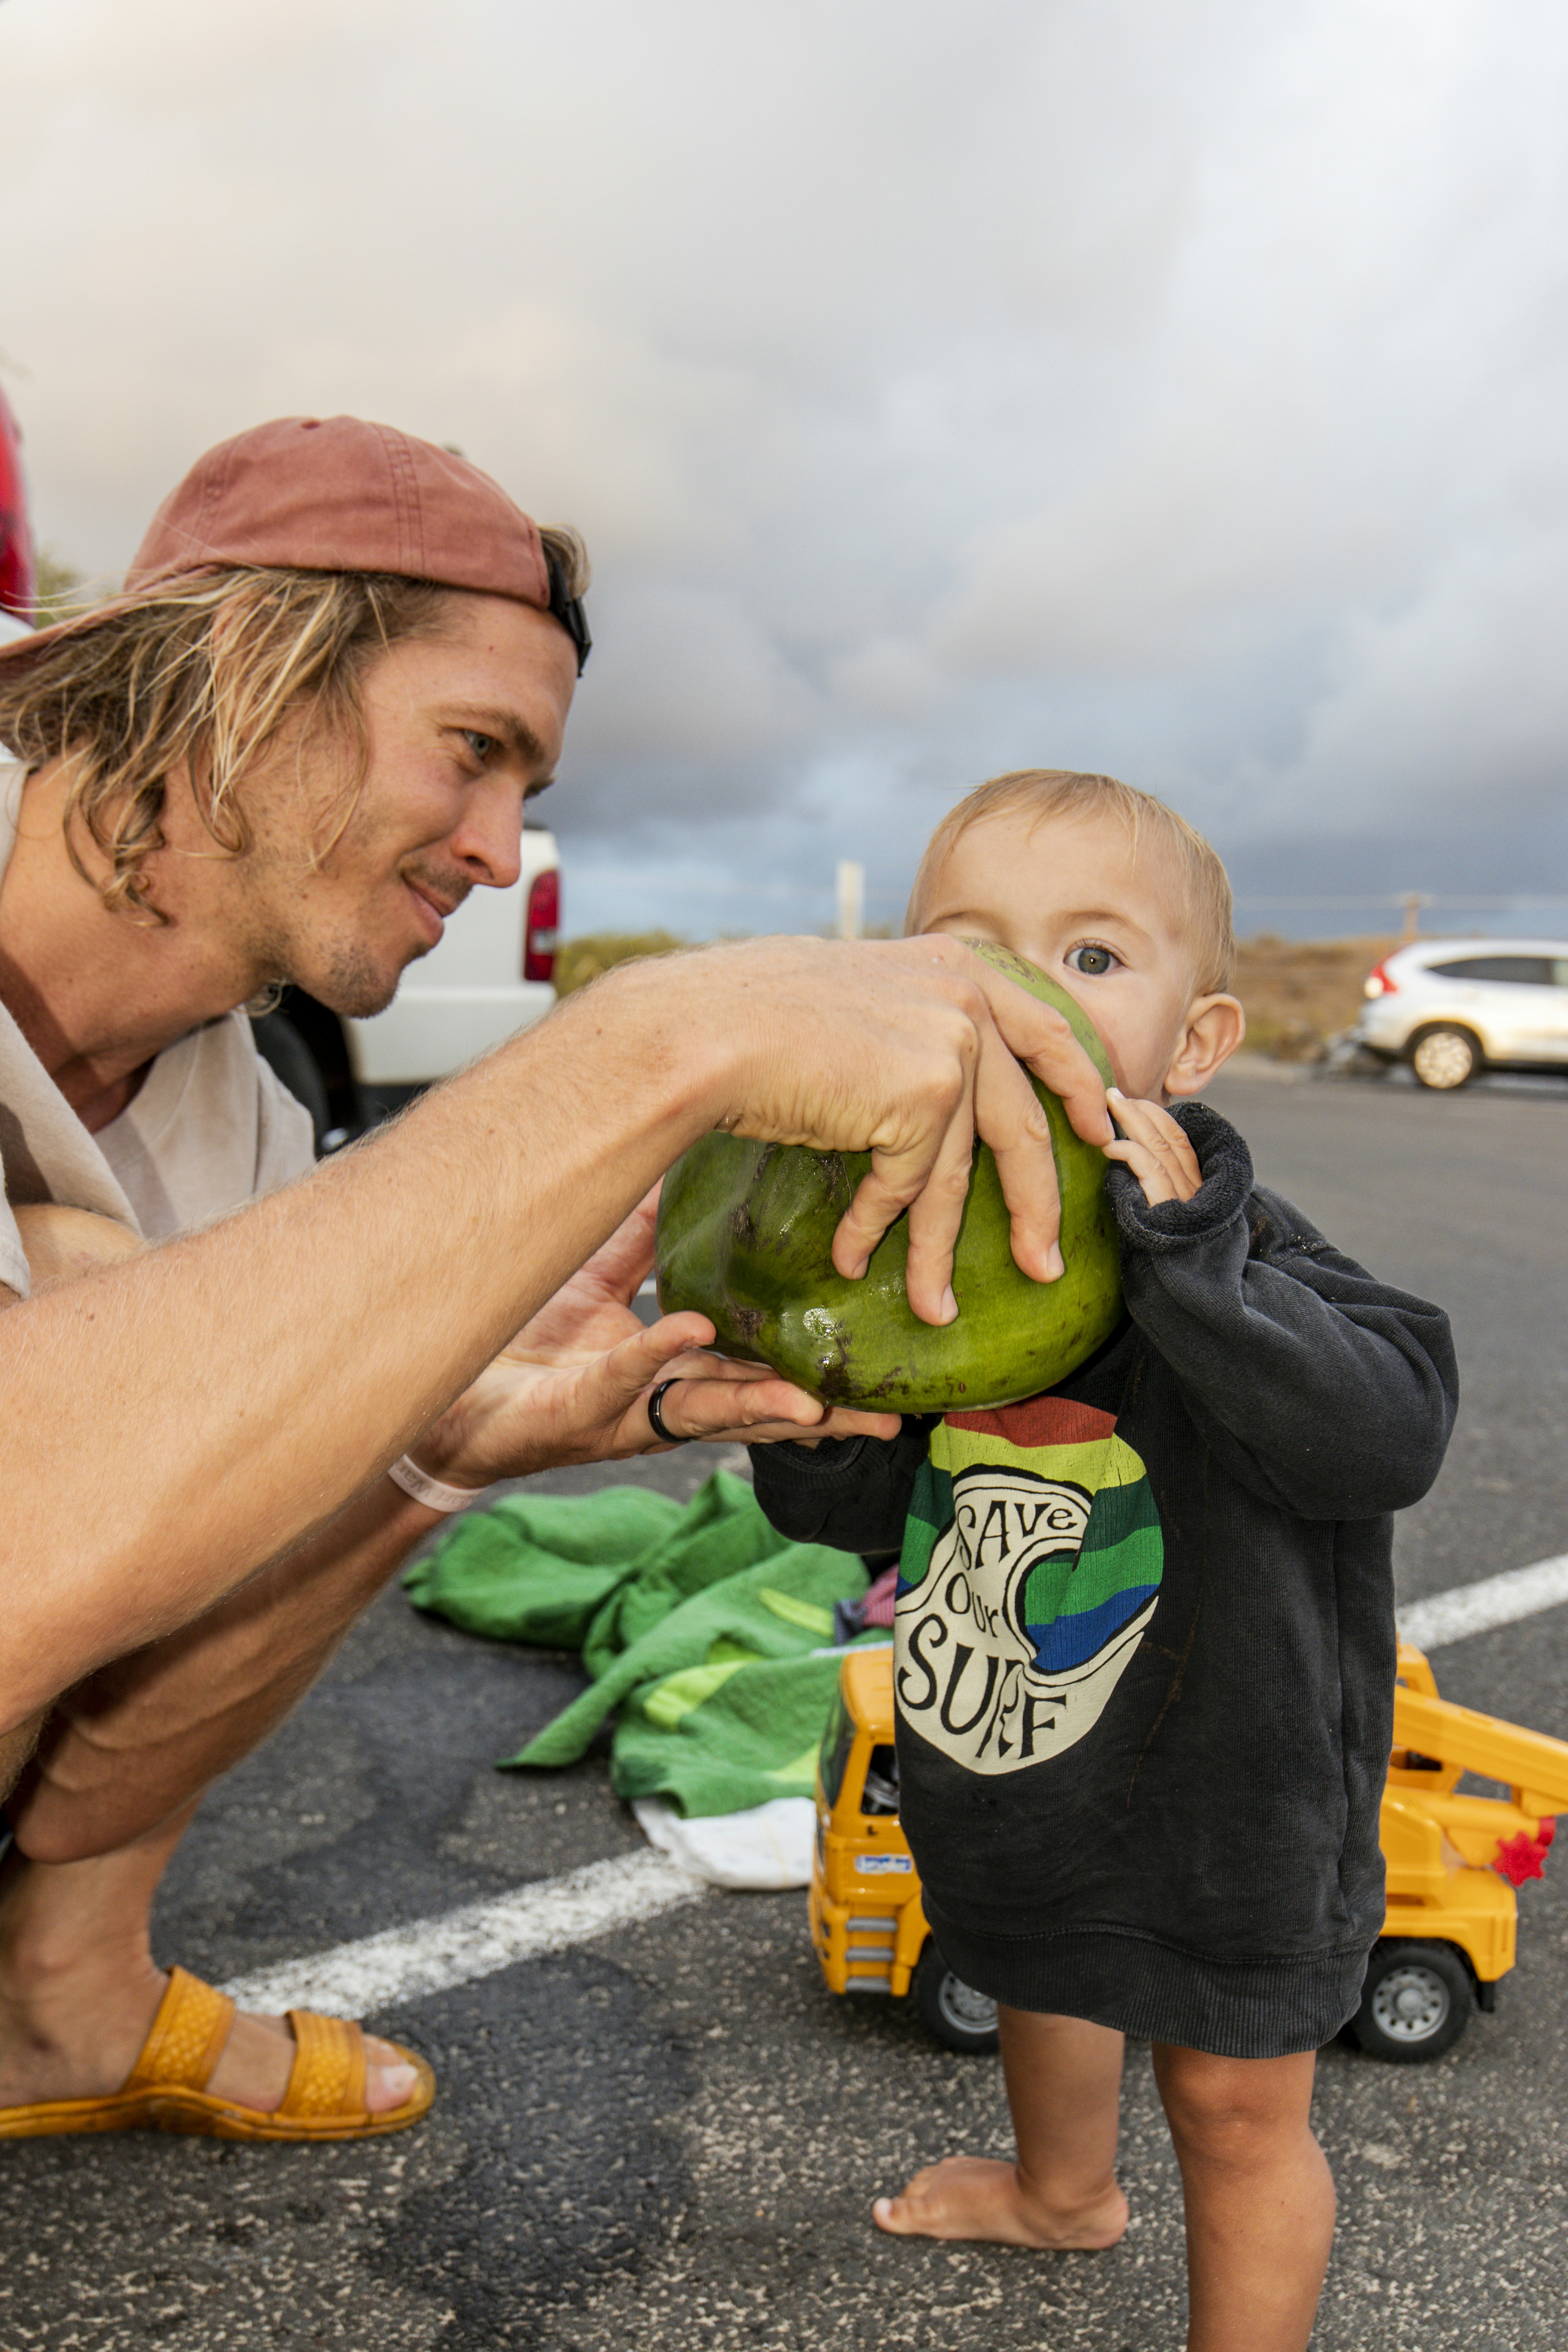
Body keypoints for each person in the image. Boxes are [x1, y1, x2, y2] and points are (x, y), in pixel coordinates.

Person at [0, 419, 1115, 2143]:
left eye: (529, 789)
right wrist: (655, 1044)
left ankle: (61, 2005)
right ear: (248, 667)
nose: (501, 851)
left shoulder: (234, 1122)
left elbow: (102, 1697)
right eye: (472, 750)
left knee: (259, 1413)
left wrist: (438, 1453)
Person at [750, 769, 1458, 2352]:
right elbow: (840, 1524)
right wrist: (812, 1424)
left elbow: (1387, 1430)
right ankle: (1060, 2194)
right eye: (969, 946)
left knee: (1231, 2108)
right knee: (1036, 1975)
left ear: (1194, 1045)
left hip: (1237, 1793)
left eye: (1087, 956)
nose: (1018, 989)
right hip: (1026, 1760)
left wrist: (1193, 1263)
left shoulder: (1247, 1247)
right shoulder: (932, 1242)